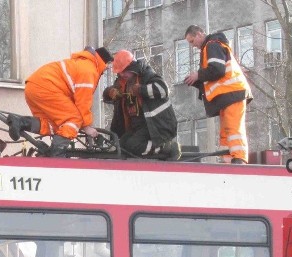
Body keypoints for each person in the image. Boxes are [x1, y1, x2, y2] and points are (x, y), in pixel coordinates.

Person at [8, 46, 114, 156]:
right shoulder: (89, 70)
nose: (107, 69)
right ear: (105, 63)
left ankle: (20, 122)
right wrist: (87, 127)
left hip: (33, 87)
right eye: (108, 66)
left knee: (55, 124)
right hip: (47, 88)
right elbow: (83, 102)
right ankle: (56, 153)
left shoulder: (81, 64)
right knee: (74, 119)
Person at [183, 25, 253, 164]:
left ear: (199, 34)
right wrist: (197, 80)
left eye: (192, 41)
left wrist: (198, 75)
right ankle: (229, 160)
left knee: (233, 128)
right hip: (227, 95)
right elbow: (213, 75)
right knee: (227, 132)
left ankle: (239, 159)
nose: (192, 46)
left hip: (231, 93)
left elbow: (217, 69)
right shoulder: (211, 47)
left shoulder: (212, 45)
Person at [103, 50, 180, 161]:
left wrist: (141, 90)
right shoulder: (121, 82)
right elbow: (107, 95)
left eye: (124, 71)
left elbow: (163, 90)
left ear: (132, 67)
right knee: (121, 145)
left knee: (133, 145)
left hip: (156, 124)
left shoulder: (146, 75)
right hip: (137, 126)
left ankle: (167, 147)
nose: (122, 74)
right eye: (119, 72)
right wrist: (110, 92)